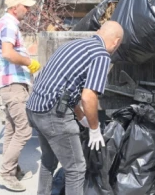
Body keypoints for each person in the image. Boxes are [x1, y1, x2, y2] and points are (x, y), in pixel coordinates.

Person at [26, 21, 124, 195]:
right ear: (116, 42)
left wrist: (81, 118)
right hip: (52, 115)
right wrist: (94, 129)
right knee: (76, 169)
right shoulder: (100, 55)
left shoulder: (75, 44)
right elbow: (88, 96)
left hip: (35, 108)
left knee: (49, 161)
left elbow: (68, 87)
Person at [0, 0, 41, 192]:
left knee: (12, 130)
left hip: (9, 84)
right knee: (24, 129)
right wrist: (29, 62)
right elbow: (7, 53)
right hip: (14, 86)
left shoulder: (3, 24)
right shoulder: (10, 25)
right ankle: (6, 173)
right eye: (25, 6)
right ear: (14, 8)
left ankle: (12, 170)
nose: (28, 10)